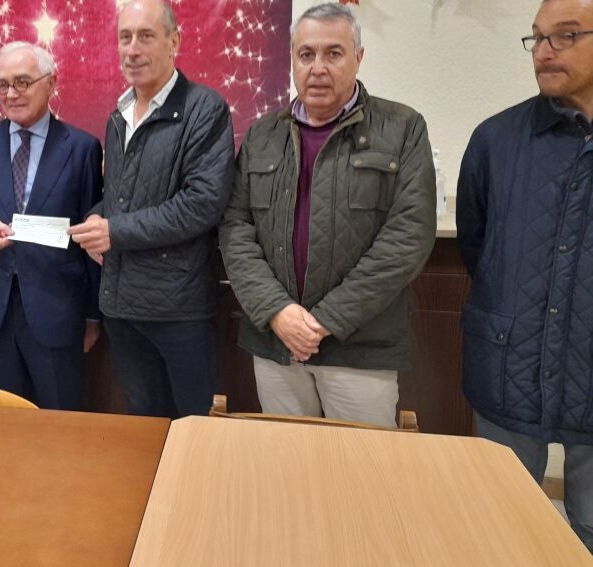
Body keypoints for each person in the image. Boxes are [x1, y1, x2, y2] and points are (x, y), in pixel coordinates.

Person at [219, 3, 436, 427]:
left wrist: (324, 321)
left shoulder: (403, 128)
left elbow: (407, 239)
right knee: (287, 459)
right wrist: (278, 312)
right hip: (277, 344)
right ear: (293, 60)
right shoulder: (262, 135)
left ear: (358, 57)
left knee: (362, 464)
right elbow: (235, 229)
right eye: (306, 54)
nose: (318, 67)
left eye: (333, 53)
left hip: (360, 347)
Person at [456, 0, 593, 550]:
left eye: (565, 35)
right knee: (498, 528)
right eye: (536, 37)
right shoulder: (496, 140)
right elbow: (477, 245)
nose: (543, 51)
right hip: (507, 366)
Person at [68, 0, 235, 418]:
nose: (132, 49)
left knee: (194, 427)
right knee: (143, 423)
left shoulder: (205, 109)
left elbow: (202, 203)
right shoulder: (119, 113)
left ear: (174, 41)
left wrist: (114, 232)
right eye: (124, 37)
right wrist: (96, 215)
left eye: (145, 36)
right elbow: (120, 195)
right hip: (120, 305)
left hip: (178, 309)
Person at [0, 42, 103, 410]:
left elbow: (91, 236)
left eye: (23, 82)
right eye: (3, 84)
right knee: (4, 426)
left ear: (51, 83)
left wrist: (93, 314)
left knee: (60, 423)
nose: (11, 93)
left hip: (57, 312)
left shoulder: (82, 148)